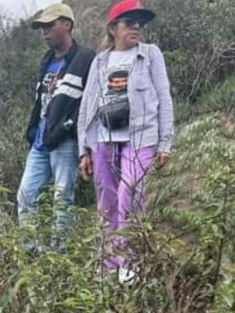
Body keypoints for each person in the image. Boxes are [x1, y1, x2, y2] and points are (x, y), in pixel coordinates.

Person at [77, 0, 173, 282]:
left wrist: (165, 142)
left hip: (141, 136)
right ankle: (107, 265)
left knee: (128, 194)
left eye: (139, 23)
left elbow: (164, 97)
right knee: (106, 200)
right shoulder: (100, 61)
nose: (136, 27)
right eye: (128, 22)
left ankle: (129, 263)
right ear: (113, 28)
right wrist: (84, 149)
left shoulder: (150, 55)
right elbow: (87, 105)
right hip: (104, 139)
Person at [18, 3, 96, 253]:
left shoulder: (85, 58)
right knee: (25, 196)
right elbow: (39, 103)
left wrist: (81, 139)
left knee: (63, 199)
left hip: (65, 141)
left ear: (67, 25)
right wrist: (32, 132)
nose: (45, 32)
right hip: (40, 142)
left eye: (50, 25)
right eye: (42, 27)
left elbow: (91, 102)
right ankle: (32, 253)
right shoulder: (46, 61)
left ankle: (59, 255)